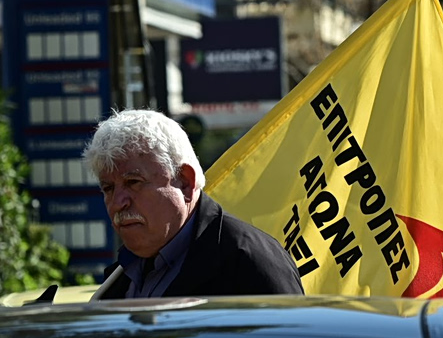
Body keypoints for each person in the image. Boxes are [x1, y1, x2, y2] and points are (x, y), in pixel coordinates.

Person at [83, 109, 304, 299]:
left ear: (186, 182)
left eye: (133, 182)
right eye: (108, 188)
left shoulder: (250, 261)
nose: (118, 202)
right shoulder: (121, 277)